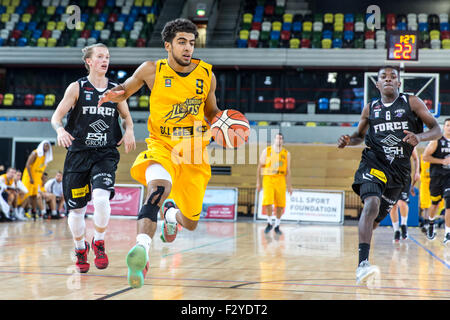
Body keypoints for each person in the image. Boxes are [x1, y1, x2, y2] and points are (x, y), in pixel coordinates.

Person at [98, 18, 222, 288]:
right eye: (182, 42)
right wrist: (112, 95)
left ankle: (170, 216)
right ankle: (141, 249)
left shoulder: (207, 75)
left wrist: (226, 124)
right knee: (157, 190)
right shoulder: (152, 70)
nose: (188, 48)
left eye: (191, 42)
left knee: (189, 223)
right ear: (168, 45)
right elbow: (125, 89)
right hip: (162, 145)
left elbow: (212, 112)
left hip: (194, 153)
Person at [337, 66, 441, 286]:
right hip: (374, 162)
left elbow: (437, 130)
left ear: (398, 83)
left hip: (399, 172)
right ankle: (362, 264)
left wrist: (420, 137)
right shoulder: (370, 108)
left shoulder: (412, 102)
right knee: (371, 203)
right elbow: (359, 136)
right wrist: (349, 141)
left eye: (393, 77)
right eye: (383, 77)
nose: (388, 79)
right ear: (377, 84)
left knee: (375, 220)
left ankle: (367, 247)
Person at [51, 43, 136, 273]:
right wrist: (60, 130)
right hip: (78, 155)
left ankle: (99, 241)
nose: (105, 60)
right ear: (89, 61)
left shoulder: (116, 90)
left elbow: (127, 118)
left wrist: (129, 131)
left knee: (100, 199)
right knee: (76, 211)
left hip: (105, 153)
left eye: (107, 56)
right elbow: (56, 118)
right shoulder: (77, 87)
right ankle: (80, 247)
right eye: (100, 56)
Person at [256, 133, 293, 235]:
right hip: (268, 178)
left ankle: (277, 225)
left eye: (281, 138)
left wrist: (289, 186)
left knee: (280, 204)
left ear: (283, 141)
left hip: (280, 178)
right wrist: (258, 182)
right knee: (268, 202)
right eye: (277, 138)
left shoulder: (286, 153)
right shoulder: (267, 151)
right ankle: (269, 222)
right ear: (274, 140)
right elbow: (259, 167)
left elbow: (288, 170)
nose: (279, 140)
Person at [422, 118, 450, 243]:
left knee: (449, 202)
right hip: (437, 176)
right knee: (435, 203)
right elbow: (425, 157)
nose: (449, 128)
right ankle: (431, 222)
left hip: (449, 177)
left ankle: (447, 233)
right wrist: (442, 161)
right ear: (444, 127)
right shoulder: (437, 141)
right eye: (448, 125)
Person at [389, 147, 420, 242]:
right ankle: (396, 230)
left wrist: (417, 172)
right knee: (392, 206)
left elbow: (415, 158)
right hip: (390, 177)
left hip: (404, 177)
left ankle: (404, 224)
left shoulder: (408, 140)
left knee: (402, 203)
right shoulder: (387, 138)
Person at [20, 140, 53, 221]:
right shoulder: (35, 153)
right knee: (27, 195)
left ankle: (33, 212)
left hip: (37, 178)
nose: (46, 147)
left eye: (48, 146)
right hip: (29, 177)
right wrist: (31, 178)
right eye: (45, 145)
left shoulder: (46, 157)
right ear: (41, 145)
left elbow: (41, 170)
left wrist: (43, 179)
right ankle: (20, 211)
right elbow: (27, 165)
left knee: (34, 196)